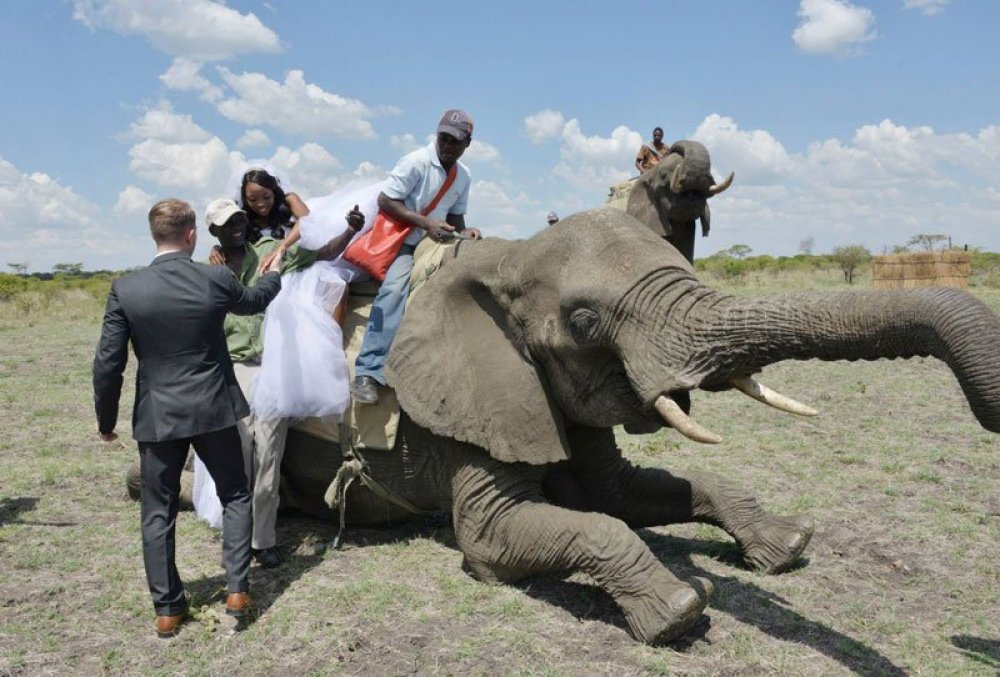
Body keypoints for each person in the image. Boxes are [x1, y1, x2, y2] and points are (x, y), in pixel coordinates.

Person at [93, 199, 281, 638]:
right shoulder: (214, 278)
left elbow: (108, 363)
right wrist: (274, 274)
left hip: (158, 416)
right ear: (192, 235)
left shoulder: (127, 289)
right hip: (215, 407)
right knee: (236, 494)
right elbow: (254, 302)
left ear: (154, 235)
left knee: (156, 512)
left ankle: (168, 610)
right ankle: (237, 591)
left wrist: (106, 419)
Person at [195, 198, 363, 568]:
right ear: (214, 232)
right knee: (237, 457)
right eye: (227, 223)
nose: (237, 225)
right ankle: (237, 537)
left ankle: (263, 540)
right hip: (234, 369)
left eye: (239, 218)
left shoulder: (271, 252)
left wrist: (349, 231)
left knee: (268, 453)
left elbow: (318, 254)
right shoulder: (208, 272)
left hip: (272, 366)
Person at [351, 109, 482, 405]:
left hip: (433, 242)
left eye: (454, 141)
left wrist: (466, 232)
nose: (447, 145)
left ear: (467, 144)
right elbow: (385, 200)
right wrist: (425, 224)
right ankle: (367, 371)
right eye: (443, 138)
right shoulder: (416, 162)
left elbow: (456, 215)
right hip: (404, 242)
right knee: (395, 289)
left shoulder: (463, 176)